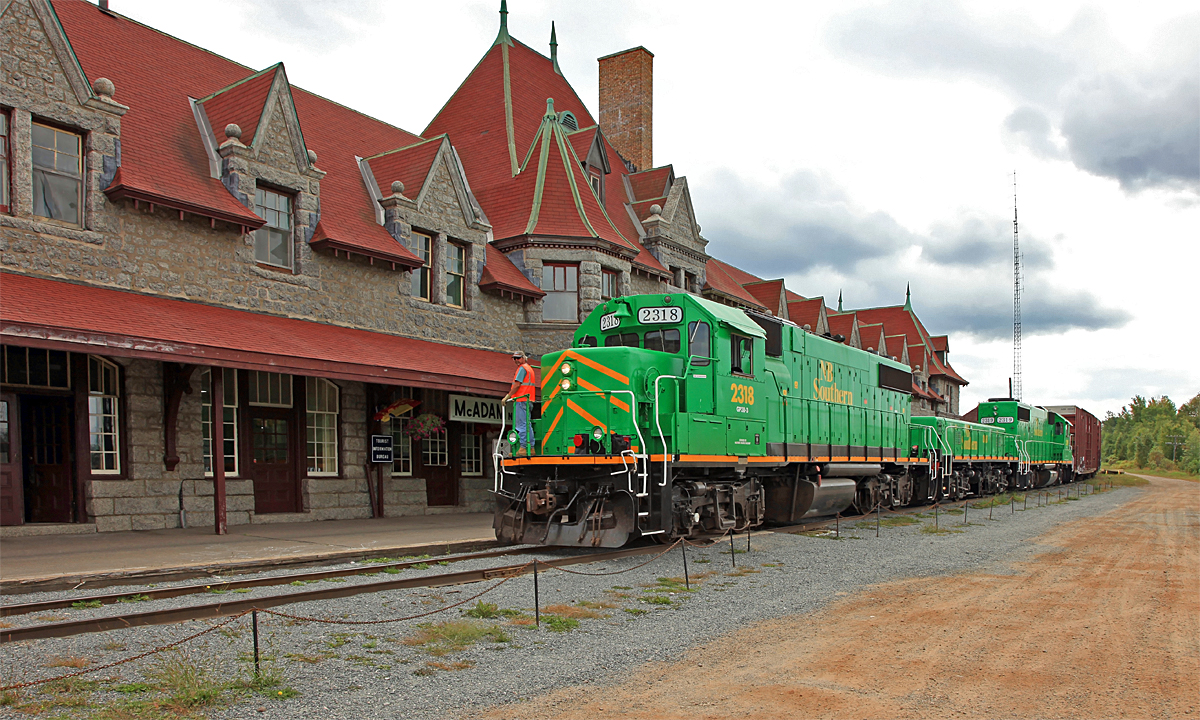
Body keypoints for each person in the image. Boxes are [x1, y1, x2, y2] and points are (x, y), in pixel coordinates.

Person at [502, 350, 537, 456]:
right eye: (514, 358)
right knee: (527, 424)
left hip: (521, 400)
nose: (516, 360)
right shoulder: (529, 369)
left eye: (518, 358)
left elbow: (517, 385)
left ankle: (524, 448)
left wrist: (507, 397)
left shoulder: (522, 369)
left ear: (523, 358)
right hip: (528, 399)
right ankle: (530, 448)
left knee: (521, 424)